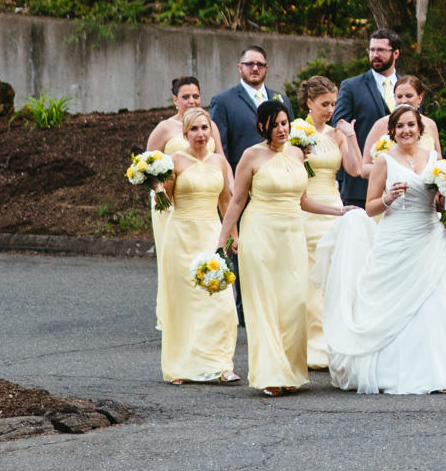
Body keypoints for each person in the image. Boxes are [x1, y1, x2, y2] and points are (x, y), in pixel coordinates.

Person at [315, 104, 446, 395]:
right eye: (400, 127)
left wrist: (444, 203)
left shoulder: (435, 159)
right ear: (392, 132)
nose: (406, 131)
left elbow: (440, 201)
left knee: (433, 302)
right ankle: (393, 371)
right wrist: (388, 198)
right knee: (393, 302)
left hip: (428, 235)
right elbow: (370, 205)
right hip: (396, 236)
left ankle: (441, 371)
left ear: (420, 129)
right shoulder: (384, 161)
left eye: (411, 125)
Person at [215, 99, 340, 395]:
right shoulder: (251, 156)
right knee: (265, 303)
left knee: (294, 302)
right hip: (261, 234)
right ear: (262, 127)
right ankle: (270, 374)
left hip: (293, 235)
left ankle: (290, 371)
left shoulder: (298, 154)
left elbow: (304, 201)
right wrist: (224, 239)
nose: (282, 129)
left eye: (285, 123)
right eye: (276, 125)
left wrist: (338, 211)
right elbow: (236, 200)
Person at [156, 107, 237, 384]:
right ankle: (180, 366)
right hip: (182, 235)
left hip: (211, 232)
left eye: (205, 128)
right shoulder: (174, 161)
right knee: (185, 302)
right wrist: (155, 187)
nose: (200, 134)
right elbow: (164, 202)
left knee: (222, 302)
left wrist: (232, 234)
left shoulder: (220, 163)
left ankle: (222, 364)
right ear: (185, 133)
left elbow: (227, 202)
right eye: (194, 129)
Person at [293, 75, 365, 371]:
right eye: (324, 104)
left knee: (336, 278)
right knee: (310, 281)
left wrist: (350, 135)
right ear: (309, 103)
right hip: (308, 209)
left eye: (333, 104)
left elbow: (355, 168)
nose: (330, 109)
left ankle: (334, 342)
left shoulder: (336, 134)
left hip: (335, 205)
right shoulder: (296, 132)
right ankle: (311, 348)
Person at [142, 75, 212, 336]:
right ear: (175, 100)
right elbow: (147, 165)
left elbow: (219, 159)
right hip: (168, 201)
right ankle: (174, 314)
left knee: (203, 256)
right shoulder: (165, 128)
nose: (192, 100)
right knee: (175, 259)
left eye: (196, 95)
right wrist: (159, 192)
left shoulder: (207, 124)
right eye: (186, 96)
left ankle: (201, 312)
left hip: (200, 197)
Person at [329, 28, 404, 210]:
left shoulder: (407, 87)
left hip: (401, 185)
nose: (375, 55)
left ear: (395, 53)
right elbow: (338, 128)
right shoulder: (351, 86)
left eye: (381, 50)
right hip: (360, 186)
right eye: (371, 50)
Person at [206, 47, 290, 168]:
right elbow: (219, 147)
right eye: (250, 64)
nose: (255, 68)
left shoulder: (283, 100)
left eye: (260, 65)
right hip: (241, 173)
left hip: (280, 171)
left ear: (266, 69)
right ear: (240, 67)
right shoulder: (222, 101)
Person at [392, 71, 443, 153]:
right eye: (399, 96)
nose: (404, 101)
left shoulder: (430, 124)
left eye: (409, 96)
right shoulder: (381, 124)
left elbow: (438, 158)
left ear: (420, 97)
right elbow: (367, 164)